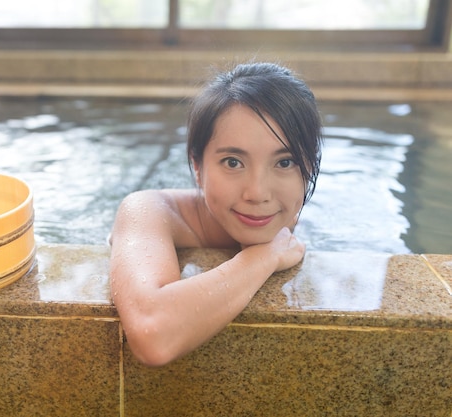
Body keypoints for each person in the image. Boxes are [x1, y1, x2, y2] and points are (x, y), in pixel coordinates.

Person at [109, 62, 323, 367]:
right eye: (233, 162)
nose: (258, 193)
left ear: (309, 169)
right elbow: (152, 332)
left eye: (285, 162)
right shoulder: (149, 210)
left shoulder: (286, 207)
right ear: (197, 167)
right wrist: (264, 257)